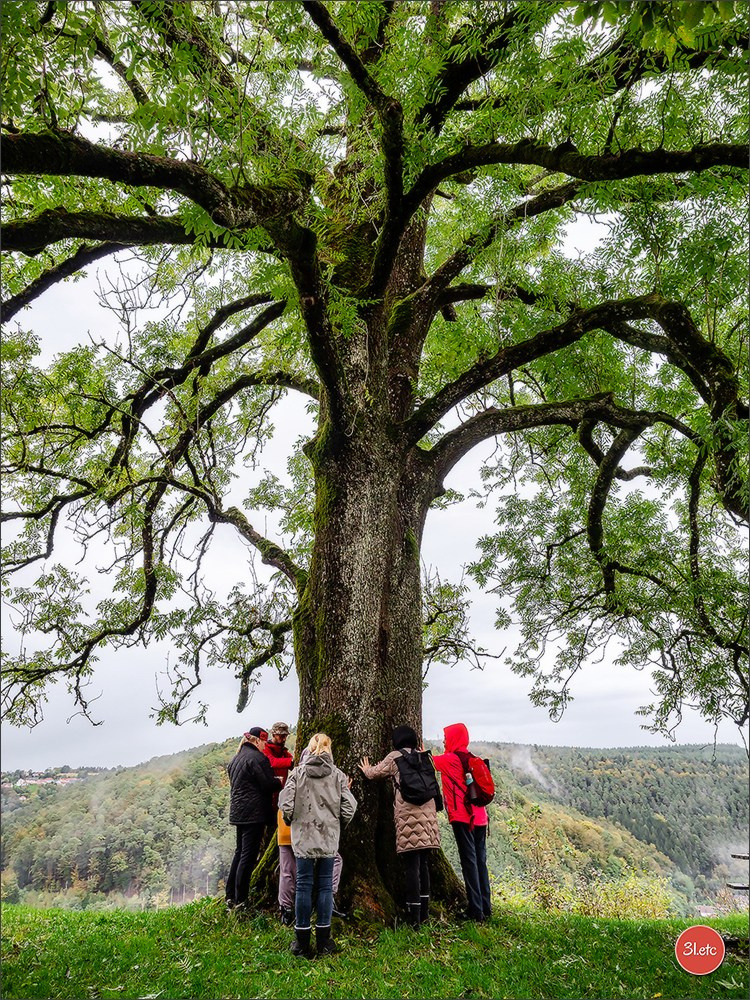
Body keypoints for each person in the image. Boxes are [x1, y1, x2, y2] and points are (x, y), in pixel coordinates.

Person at [279, 733, 357, 958]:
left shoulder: (297, 774)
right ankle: (324, 942)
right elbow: (349, 808)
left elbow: (285, 803)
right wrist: (338, 822)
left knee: (303, 884)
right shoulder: (337, 776)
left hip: (303, 835)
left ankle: (301, 942)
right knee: (324, 886)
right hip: (328, 835)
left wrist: (289, 819)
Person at [358, 725, 441, 928]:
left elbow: (373, 774)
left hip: (408, 817)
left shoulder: (394, 757)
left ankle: (414, 917)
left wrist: (366, 768)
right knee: (423, 865)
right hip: (428, 816)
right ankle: (424, 913)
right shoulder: (423, 756)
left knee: (412, 866)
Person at [432, 722, 492, 922]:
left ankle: (475, 912)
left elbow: (427, 763)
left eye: (446, 737)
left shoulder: (450, 759)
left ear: (453, 739)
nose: (443, 741)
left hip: (463, 817)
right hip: (481, 817)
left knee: (469, 862)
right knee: (480, 862)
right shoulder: (471, 758)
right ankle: (485, 906)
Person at [225, 727, 282, 916]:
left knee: (239, 853)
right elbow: (267, 784)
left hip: (238, 812)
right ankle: (241, 900)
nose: (265, 746)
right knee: (248, 857)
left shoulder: (235, 759)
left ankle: (230, 896)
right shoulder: (258, 759)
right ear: (258, 741)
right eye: (264, 742)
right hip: (254, 814)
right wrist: (279, 781)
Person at [261, 722, 296, 925]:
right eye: (279, 736)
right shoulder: (268, 750)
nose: (282, 739)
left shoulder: (285, 752)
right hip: (270, 801)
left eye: (284, 736)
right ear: (273, 735)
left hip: (282, 804)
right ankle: (284, 906)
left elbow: (288, 761)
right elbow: (272, 763)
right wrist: (288, 762)